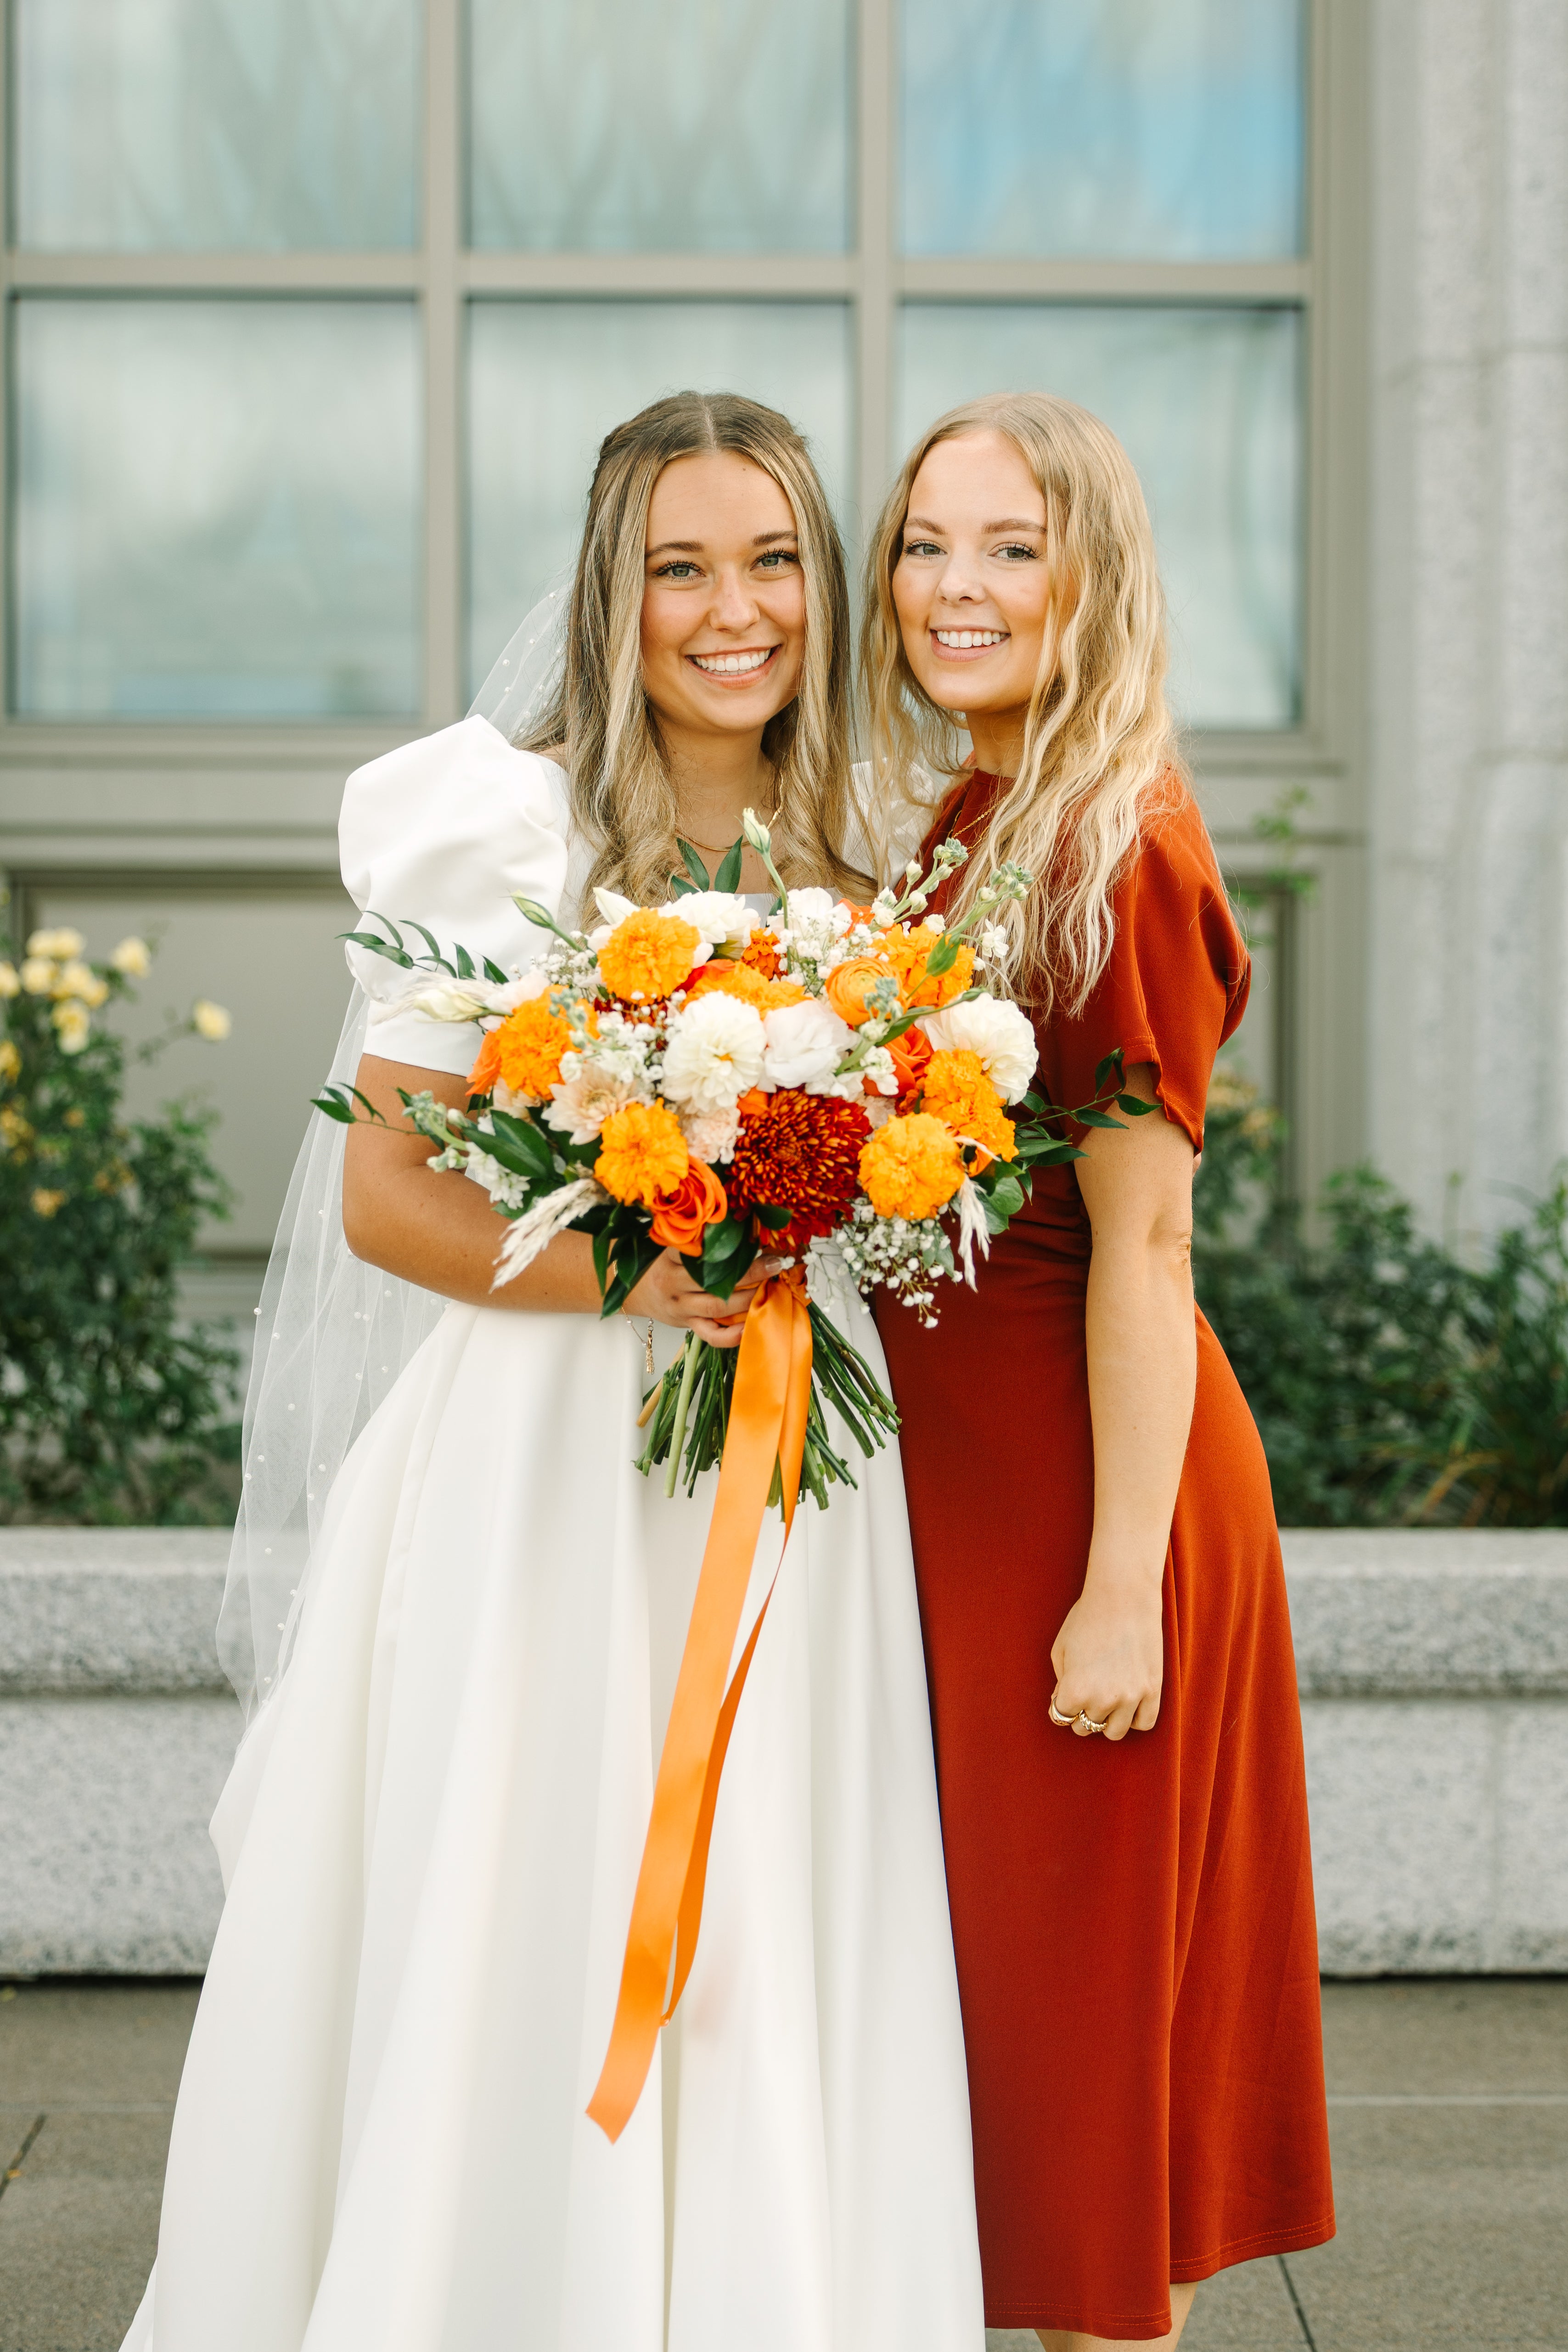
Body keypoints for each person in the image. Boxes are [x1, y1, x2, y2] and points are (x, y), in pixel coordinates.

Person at [122, 393, 983, 2351]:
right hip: (544, 1471)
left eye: (769, 559)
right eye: (681, 566)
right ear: (614, 587)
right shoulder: (498, 818)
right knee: (535, 1884)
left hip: (787, 1475)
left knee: (773, 1902)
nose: (730, 609)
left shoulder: (857, 846)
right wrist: (634, 1268)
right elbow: (384, 1200)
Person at [862, 393, 1335, 2351]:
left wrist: (1117, 1588)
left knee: (1080, 2099)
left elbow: (1144, 1244)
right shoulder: (978, 814)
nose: (953, 588)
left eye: (1009, 547)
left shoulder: (1113, 841)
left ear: (1093, 575)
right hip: (980, 1500)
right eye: (923, 543)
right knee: (1011, 2065)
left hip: (1086, 1505)